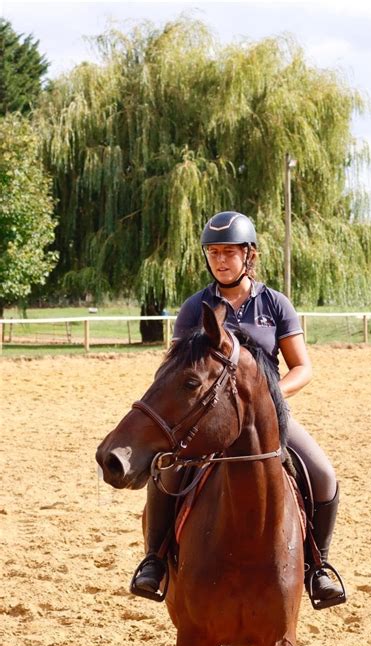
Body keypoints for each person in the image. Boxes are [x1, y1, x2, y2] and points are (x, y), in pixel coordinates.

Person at [133, 211, 344, 607]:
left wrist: (271, 399)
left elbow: (302, 367)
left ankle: (318, 568)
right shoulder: (195, 307)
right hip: (209, 418)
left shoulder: (275, 304)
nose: (220, 260)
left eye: (229, 251)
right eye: (213, 252)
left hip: (268, 420)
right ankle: (155, 560)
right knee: (166, 471)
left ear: (250, 255)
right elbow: (178, 369)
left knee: (323, 475)